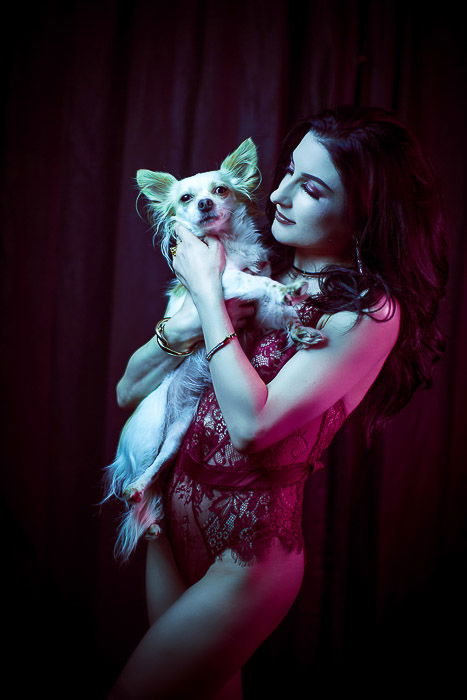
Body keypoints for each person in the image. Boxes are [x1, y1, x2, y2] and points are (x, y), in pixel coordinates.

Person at [108, 106, 447, 699]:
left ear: (364, 213)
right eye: (287, 172)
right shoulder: (260, 263)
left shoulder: (368, 313)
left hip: (248, 555)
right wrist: (175, 333)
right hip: (167, 519)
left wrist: (209, 295)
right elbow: (127, 392)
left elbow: (251, 426)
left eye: (311, 187)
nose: (280, 194)